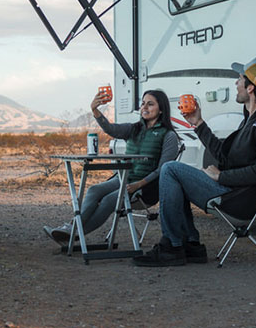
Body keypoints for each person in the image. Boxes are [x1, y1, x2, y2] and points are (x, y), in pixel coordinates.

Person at [133, 57, 256, 267]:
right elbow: (224, 156)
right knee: (177, 175)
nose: (236, 83)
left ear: (250, 87)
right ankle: (190, 244)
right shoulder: (250, 121)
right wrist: (198, 123)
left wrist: (221, 176)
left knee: (170, 169)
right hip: (231, 190)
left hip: (239, 199)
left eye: (239, 79)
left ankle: (172, 246)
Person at [42, 89, 180, 245]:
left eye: (150, 104)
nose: (144, 108)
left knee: (109, 200)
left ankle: (73, 232)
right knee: (94, 190)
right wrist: (95, 110)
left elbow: (163, 170)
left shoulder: (169, 136)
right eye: (142, 104)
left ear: (161, 109)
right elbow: (110, 129)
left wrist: (139, 184)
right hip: (124, 178)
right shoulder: (134, 129)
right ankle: (72, 229)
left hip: (146, 188)